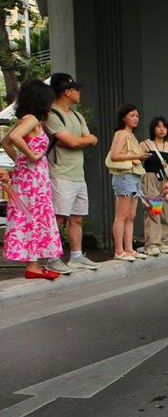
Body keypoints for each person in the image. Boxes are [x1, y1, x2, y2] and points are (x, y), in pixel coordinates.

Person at [0, 79, 63, 279]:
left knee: (29, 216)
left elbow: (5, 142)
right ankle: (33, 266)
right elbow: (14, 138)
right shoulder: (32, 120)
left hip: (27, 176)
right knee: (34, 215)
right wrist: (31, 156)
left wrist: (21, 160)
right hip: (33, 179)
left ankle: (33, 264)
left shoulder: (25, 118)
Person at [44, 73, 100, 273]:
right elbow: (76, 141)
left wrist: (76, 141)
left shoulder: (77, 116)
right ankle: (52, 258)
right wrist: (78, 141)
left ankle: (76, 256)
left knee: (77, 217)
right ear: (67, 92)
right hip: (59, 174)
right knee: (58, 218)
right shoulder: (51, 114)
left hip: (78, 174)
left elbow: (91, 139)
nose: (79, 93)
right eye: (76, 89)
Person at [107, 104, 150, 261]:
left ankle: (129, 249)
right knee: (122, 215)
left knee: (131, 215)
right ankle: (119, 250)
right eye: (132, 115)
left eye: (137, 116)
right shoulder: (121, 134)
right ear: (123, 117)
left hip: (133, 176)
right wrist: (136, 156)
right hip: (124, 176)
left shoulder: (131, 135)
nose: (136, 118)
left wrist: (139, 157)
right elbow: (115, 155)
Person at [139, 117, 168, 256]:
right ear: (153, 128)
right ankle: (152, 244)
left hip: (165, 181)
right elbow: (137, 162)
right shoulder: (145, 144)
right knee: (154, 210)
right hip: (150, 179)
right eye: (158, 126)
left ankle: (163, 242)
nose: (161, 129)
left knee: (166, 212)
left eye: (164, 127)